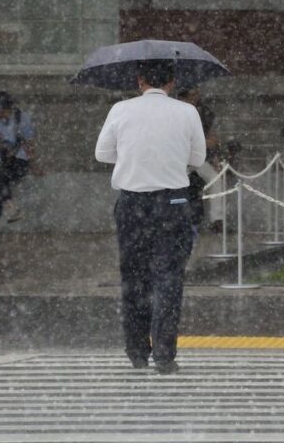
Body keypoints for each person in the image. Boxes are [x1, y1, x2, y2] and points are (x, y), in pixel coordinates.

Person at [95, 59, 206, 374]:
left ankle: (136, 351)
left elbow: (102, 154)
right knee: (170, 277)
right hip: (173, 202)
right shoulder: (187, 112)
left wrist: (132, 155)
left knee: (134, 278)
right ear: (171, 82)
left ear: (140, 80)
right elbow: (198, 157)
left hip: (131, 202)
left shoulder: (120, 110)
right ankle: (165, 353)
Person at [0, 90, 42, 229]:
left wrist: (33, 164)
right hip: (1, 158)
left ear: (8, 108)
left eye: (0, 111)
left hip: (19, 160)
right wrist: (1, 148)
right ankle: (8, 209)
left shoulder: (22, 119)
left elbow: (29, 143)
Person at [175, 86, 225, 232]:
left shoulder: (205, 113)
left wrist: (214, 156)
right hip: (178, 159)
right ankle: (179, 219)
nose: (196, 97)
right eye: (192, 94)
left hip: (198, 158)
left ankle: (217, 219)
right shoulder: (174, 113)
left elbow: (213, 140)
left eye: (196, 94)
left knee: (215, 179)